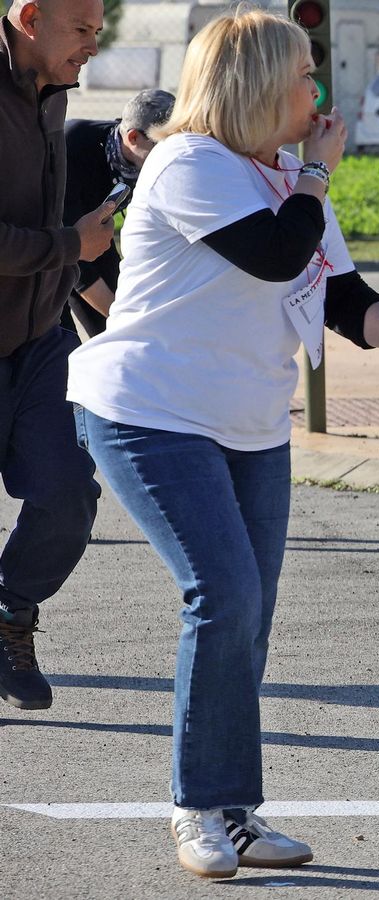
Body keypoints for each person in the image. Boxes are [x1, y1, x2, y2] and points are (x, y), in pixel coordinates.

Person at [66, 9, 379, 880]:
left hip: (247, 423)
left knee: (250, 615)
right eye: (307, 73)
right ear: (261, 83)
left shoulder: (286, 177)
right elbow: (275, 257)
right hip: (149, 411)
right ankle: (197, 808)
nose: (319, 91)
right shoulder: (190, 163)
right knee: (224, 594)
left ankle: (236, 812)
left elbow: (336, 287)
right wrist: (314, 176)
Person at [0, 0, 114, 712]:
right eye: (83, 30)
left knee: (70, 495)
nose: (93, 47)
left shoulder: (53, 91)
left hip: (40, 341)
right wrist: (74, 246)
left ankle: (10, 615)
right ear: (31, 17)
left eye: (100, 31)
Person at [58, 88, 175, 338]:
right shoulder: (74, 146)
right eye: (164, 146)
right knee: (60, 345)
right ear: (133, 137)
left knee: (114, 332)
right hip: (48, 247)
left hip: (93, 238)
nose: (173, 157)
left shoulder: (142, 161)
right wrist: (121, 319)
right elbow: (75, 254)